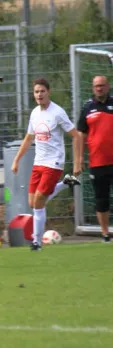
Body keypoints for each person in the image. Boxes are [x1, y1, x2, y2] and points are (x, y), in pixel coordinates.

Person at [12, 77, 82, 251]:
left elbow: (76, 136)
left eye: (42, 91)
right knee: (33, 202)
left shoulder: (57, 112)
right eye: (36, 91)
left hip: (54, 162)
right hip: (39, 162)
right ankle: (65, 183)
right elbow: (29, 138)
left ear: (49, 92)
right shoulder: (35, 113)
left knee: (39, 201)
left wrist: (77, 161)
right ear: (33, 94)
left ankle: (36, 242)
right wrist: (16, 159)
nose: (39, 94)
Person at [77, 75, 113, 243]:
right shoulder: (87, 107)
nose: (99, 88)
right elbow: (80, 134)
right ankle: (105, 234)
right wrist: (79, 158)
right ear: (93, 88)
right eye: (96, 86)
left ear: (108, 86)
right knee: (101, 199)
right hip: (97, 162)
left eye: (102, 85)